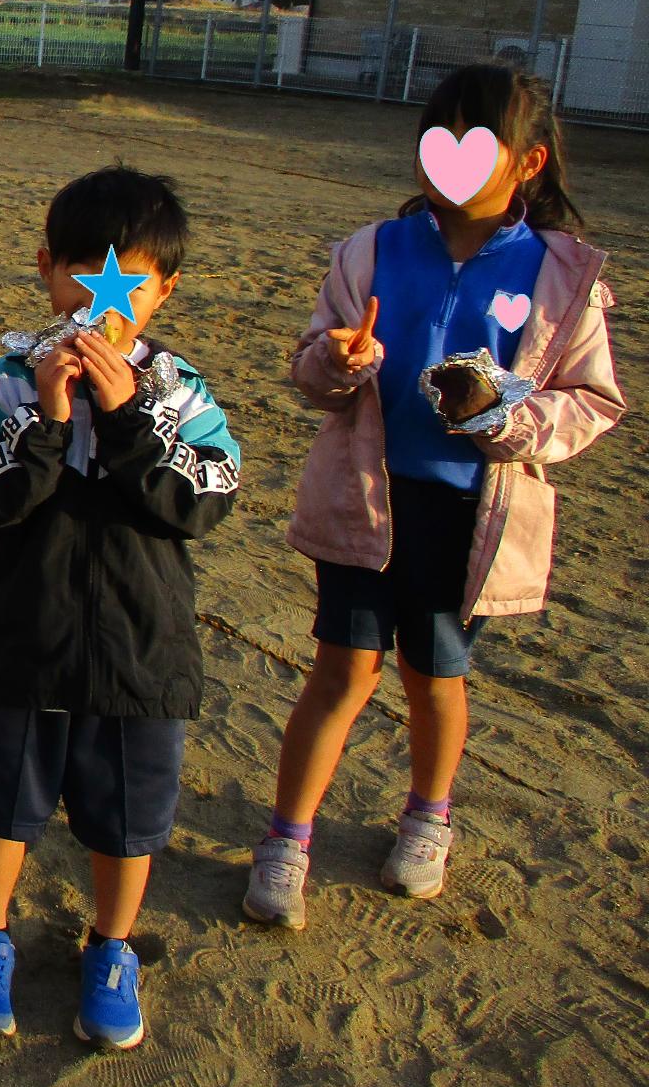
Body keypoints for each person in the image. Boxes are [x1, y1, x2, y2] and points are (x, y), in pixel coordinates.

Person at [242, 65, 623, 929]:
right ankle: (286, 837)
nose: (446, 162)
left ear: (527, 164)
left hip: (471, 519)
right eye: (438, 140)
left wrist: (505, 413)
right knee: (341, 671)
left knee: (434, 675)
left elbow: (592, 402)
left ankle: (427, 817)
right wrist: (335, 365)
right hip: (365, 502)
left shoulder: (561, 274)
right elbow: (311, 365)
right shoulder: (373, 248)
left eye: (474, 145)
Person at [0, 167, 240, 1051]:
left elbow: (206, 498)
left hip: (143, 655)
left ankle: (112, 950)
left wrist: (125, 419)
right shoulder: (7, 380)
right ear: (46, 270)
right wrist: (44, 415)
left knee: (128, 820)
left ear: (164, 290)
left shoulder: (181, 390)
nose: (104, 295)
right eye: (83, 270)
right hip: (27, 644)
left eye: (132, 277)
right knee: (4, 805)